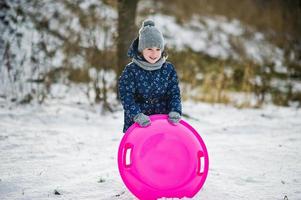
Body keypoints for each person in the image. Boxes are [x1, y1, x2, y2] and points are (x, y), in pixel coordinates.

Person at [118, 19, 182, 133]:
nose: (154, 54)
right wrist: (136, 115)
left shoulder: (168, 69)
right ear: (141, 50)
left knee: (160, 149)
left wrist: (175, 110)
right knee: (142, 149)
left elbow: (174, 93)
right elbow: (127, 96)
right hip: (138, 123)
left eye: (158, 49)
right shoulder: (131, 70)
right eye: (149, 49)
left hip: (162, 121)